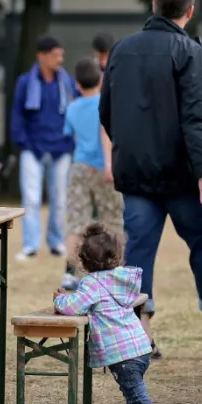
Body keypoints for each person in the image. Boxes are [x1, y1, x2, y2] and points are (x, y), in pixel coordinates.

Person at [100, 0, 202, 356]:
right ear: (190, 9)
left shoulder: (122, 49)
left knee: (139, 251)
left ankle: (142, 334)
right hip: (183, 174)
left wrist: (128, 147)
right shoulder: (189, 51)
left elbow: (106, 110)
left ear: (154, 2)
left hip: (135, 173)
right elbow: (197, 119)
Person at [53, 223, 160, 404]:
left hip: (122, 353)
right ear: (117, 255)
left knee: (136, 393)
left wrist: (59, 299)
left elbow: (74, 306)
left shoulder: (92, 283)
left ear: (83, 260)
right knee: (134, 392)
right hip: (140, 346)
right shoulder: (122, 279)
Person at [10, 35, 77, 260]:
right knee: (31, 198)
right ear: (42, 56)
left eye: (61, 55)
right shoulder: (25, 81)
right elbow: (17, 115)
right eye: (55, 55)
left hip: (61, 148)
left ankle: (56, 242)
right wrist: (24, 143)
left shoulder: (67, 82)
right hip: (33, 147)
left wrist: (70, 142)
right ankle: (31, 244)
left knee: (60, 198)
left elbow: (74, 112)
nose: (60, 59)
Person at [60, 57, 123, 290]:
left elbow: (74, 137)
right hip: (104, 168)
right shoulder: (105, 103)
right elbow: (105, 133)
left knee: (77, 221)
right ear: (101, 79)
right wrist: (109, 164)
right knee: (112, 220)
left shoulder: (72, 107)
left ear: (77, 84)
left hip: (80, 167)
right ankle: (116, 268)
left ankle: (71, 271)